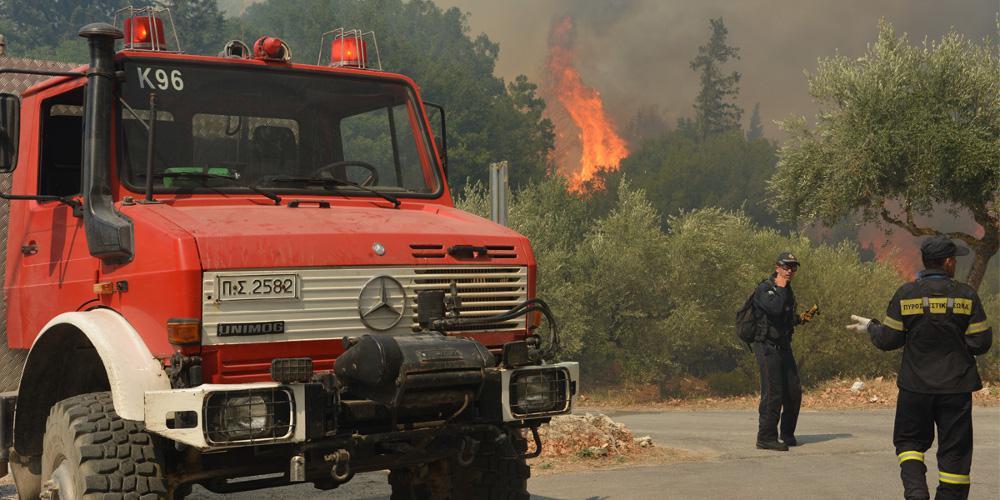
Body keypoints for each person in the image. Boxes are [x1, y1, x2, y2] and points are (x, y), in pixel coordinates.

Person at [847, 236, 992, 500]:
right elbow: (981, 343)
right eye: (954, 260)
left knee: (909, 442)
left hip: (916, 386)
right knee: (955, 451)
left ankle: (916, 492)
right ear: (948, 262)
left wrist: (871, 327)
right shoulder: (966, 296)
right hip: (955, 389)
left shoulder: (907, 294)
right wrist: (956, 341)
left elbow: (889, 340)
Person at [752, 252, 817, 451]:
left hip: (783, 345)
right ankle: (766, 437)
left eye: (793, 267)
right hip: (766, 346)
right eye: (786, 266)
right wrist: (780, 287)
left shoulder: (787, 290)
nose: (790, 271)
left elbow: (784, 317)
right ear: (777, 267)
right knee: (773, 392)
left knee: (793, 391)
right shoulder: (765, 289)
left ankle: (787, 433)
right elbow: (775, 310)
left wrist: (801, 318)